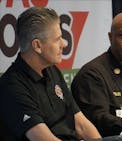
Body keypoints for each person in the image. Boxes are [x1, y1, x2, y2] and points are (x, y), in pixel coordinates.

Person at [0, 7, 101, 141]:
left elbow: (81, 124)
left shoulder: (52, 70)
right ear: (37, 46)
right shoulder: (11, 87)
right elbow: (44, 139)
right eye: (57, 39)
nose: (64, 44)